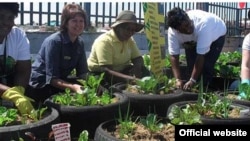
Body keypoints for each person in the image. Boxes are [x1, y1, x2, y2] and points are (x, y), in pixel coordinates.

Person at [27, 3, 89, 104]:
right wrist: (73, 87)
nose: (78, 24)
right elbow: (52, 79)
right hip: (40, 85)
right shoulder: (55, 41)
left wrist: (97, 85)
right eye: (74, 21)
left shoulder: (79, 42)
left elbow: (82, 73)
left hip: (59, 82)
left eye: (81, 21)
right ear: (66, 23)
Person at [167, 7, 227, 90]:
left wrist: (192, 80)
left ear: (188, 18)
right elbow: (174, 56)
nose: (188, 30)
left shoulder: (203, 23)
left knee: (207, 66)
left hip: (217, 34)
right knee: (191, 67)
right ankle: (192, 89)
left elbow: (201, 55)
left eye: (187, 25)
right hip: (194, 39)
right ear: (177, 30)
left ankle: (206, 90)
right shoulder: (172, 32)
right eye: (183, 30)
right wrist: (177, 79)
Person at [87, 10, 150, 87]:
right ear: (118, 27)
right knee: (108, 89)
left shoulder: (129, 39)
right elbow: (107, 71)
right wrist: (130, 79)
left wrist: (137, 68)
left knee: (144, 71)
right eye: (128, 29)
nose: (130, 33)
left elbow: (138, 58)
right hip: (101, 74)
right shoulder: (105, 41)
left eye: (133, 30)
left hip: (122, 71)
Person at [0, 3, 34, 115]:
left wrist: (18, 92)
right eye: (1, 17)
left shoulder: (17, 35)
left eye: (10, 18)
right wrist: (10, 93)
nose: (6, 22)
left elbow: (23, 70)